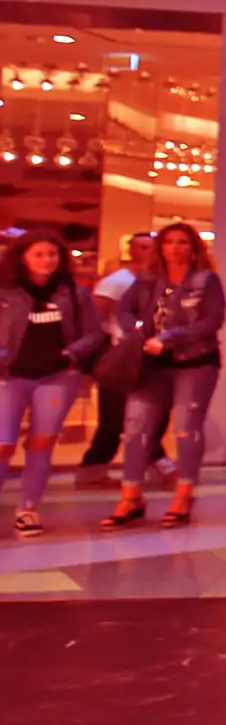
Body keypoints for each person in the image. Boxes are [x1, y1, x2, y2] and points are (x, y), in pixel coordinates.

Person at [105, 221, 226, 529]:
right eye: (169, 242)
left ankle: (184, 494)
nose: (175, 248)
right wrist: (139, 332)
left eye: (182, 242)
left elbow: (211, 321)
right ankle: (131, 496)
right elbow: (124, 309)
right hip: (149, 362)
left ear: (193, 247)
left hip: (195, 362)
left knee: (186, 429)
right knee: (135, 428)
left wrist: (168, 338)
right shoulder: (148, 278)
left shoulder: (206, 280)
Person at [1, 228, 106, 536]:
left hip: (58, 376)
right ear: (23, 257)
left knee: (42, 441)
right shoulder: (6, 291)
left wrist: (70, 355)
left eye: (52, 254)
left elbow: (93, 333)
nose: (46, 260)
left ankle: (28, 508)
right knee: (3, 444)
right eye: (38, 254)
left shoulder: (73, 291)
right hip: (10, 376)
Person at [78, 230, 161, 480]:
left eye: (151, 247)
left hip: (150, 353)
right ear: (132, 251)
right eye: (142, 247)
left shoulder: (159, 281)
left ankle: (156, 463)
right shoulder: (116, 281)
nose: (147, 252)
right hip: (121, 355)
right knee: (114, 415)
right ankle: (93, 469)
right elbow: (96, 318)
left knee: (147, 414)